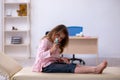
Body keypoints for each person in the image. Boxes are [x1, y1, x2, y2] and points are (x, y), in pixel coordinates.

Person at [32, 24, 107, 74]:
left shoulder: (56, 44)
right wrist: (51, 50)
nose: (59, 39)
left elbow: (53, 57)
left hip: (52, 63)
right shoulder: (45, 41)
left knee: (73, 64)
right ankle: (95, 70)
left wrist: (60, 59)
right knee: (69, 67)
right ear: (54, 32)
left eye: (61, 38)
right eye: (58, 36)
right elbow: (40, 56)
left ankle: (95, 68)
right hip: (44, 66)